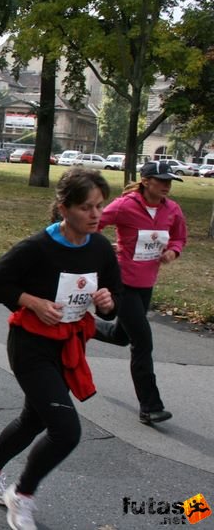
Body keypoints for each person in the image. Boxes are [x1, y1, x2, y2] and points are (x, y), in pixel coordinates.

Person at [0, 168, 122, 530]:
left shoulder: (100, 247)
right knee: (66, 431)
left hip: (68, 347)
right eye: (87, 207)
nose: (96, 215)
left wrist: (106, 302)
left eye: (100, 206)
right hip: (30, 346)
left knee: (33, 420)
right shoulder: (37, 247)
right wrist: (33, 302)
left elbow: (113, 300)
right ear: (64, 207)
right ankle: (21, 496)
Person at [94, 161, 187, 425]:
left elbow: (180, 237)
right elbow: (95, 224)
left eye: (170, 181)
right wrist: (103, 248)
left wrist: (173, 251)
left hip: (147, 283)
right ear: (146, 181)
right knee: (142, 342)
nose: (167, 185)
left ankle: (85, 326)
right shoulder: (125, 205)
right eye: (162, 180)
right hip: (122, 283)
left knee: (122, 336)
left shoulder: (172, 210)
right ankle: (150, 407)